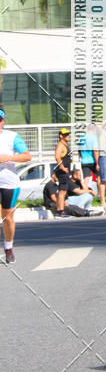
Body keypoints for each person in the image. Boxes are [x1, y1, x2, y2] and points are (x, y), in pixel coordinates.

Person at [0, 108, 31, 263]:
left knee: (7, 217)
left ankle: (8, 247)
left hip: (8, 183)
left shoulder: (12, 137)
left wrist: (8, 158)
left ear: (3, 121)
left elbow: (27, 156)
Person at [54, 128, 73, 217]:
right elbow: (57, 156)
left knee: (63, 191)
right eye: (65, 135)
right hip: (63, 171)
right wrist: (62, 167)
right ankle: (60, 211)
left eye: (68, 134)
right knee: (62, 191)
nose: (68, 136)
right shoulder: (60, 145)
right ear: (60, 136)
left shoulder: (65, 144)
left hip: (66, 170)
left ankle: (59, 210)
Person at [78, 123, 100, 194]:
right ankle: (100, 194)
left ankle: (85, 194)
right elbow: (95, 151)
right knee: (98, 177)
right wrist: (97, 163)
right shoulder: (93, 137)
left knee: (86, 179)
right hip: (92, 160)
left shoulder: (81, 138)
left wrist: (81, 157)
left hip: (84, 161)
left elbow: (79, 150)